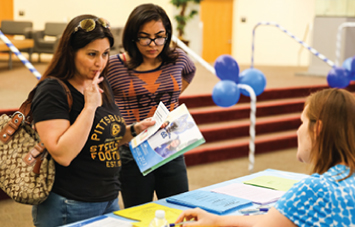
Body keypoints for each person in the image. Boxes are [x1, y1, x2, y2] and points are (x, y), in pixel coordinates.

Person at [30, 14, 155, 227]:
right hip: (70, 203)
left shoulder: (99, 84)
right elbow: (63, 153)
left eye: (105, 54)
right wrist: (89, 107)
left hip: (109, 198)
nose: (100, 62)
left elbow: (105, 137)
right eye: (92, 54)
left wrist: (134, 130)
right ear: (70, 52)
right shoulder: (52, 91)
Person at [175, 88, 355, 227]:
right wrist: (217, 220)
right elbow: (277, 218)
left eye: (303, 122)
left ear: (317, 129)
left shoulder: (314, 190)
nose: (298, 130)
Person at [107, 3, 196, 208]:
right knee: (140, 212)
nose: (153, 43)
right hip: (133, 150)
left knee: (179, 208)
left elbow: (190, 71)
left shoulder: (177, 59)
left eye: (159, 36)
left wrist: (170, 98)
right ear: (132, 36)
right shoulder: (114, 66)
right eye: (144, 36)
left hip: (170, 143)